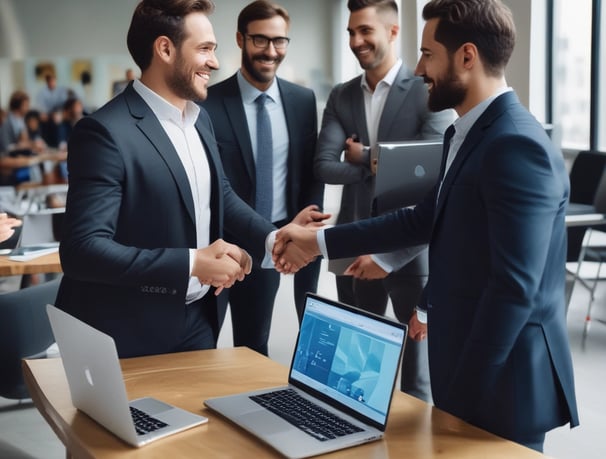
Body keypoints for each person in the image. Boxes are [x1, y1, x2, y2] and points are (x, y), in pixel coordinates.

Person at [274, 0, 579, 451]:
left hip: (502, 385)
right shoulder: (466, 131)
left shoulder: (516, 145)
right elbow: (424, 220)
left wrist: (462, 393)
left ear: (467, 57)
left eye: (428, 54)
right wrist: (317, 241)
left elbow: (515, 289)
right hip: (469, 370)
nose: (418, 69)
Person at [56, 0, 318, 359]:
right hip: (129, 331)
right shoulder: (104, 132)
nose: (215, 61)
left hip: (200, 321)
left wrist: (272, 238)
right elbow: (82, 251)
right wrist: (194, 263)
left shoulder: (199, 118)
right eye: (205, 49)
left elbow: (219, 194)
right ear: (165, 48)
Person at [314, 0, 452, 401]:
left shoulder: (426, 88)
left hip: (410, 247)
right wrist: (378, 164)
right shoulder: (341, 96)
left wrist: (363, 154)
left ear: (392, 32)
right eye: (351, 32)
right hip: (354, 238)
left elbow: (431, 163)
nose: (356, 41)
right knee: (355, 368)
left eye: (365, 31)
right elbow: (324, 165)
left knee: (417, 376)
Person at [201, 0, 325, 355]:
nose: (271, 51)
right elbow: (214, 184)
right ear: (240, 39)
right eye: (260, 40)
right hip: (221, 245)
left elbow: (310, 170)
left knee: (253, 346)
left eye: (280, 41)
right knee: (200, 345)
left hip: (278, 237)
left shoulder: (302, 100)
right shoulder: (209, 102)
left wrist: (304, 229)